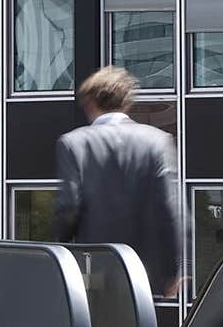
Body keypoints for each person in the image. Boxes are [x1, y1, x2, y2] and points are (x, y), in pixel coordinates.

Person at [55, 66, 181, 298]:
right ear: (126, 103)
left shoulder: (73, 143)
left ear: (90, 103)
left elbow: (69, 208)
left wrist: (59, 254)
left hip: (93, 273)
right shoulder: (158, 141)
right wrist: (171, 271)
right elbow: (170, 210)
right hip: (143, 273)